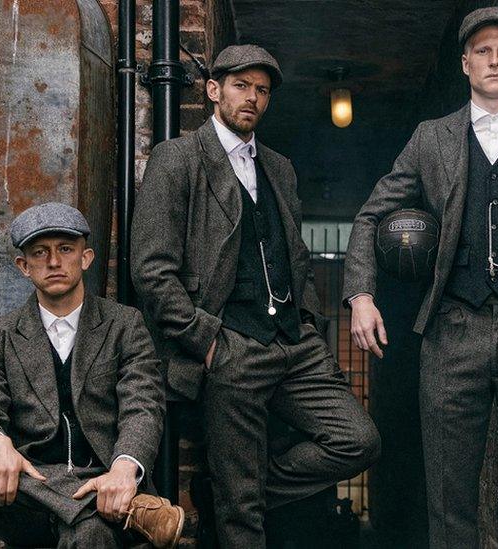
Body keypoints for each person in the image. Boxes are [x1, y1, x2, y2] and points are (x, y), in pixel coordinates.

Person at [342, 7, 498, 547]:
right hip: (452, 330)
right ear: (465, 63)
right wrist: (361, 294)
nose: (495, 60)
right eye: (484, 51)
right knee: (450, 498)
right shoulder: (432, 137)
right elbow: (371, 214)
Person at [131, 44, 381, 547]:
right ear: (213, 90)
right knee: (243, 523)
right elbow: (151, 271)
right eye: (241, 86)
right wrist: (209, 343)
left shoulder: (279, 167)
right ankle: (233, 495)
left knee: (358, 440)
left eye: (262, 90)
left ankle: (227, 489)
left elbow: (296, 256)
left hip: (293, 342)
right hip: (229, 347)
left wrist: (307, 321)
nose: (252, 98)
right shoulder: (178, 159)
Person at [0, 202, 182, 548]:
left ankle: (89, 509)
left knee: (90, 533)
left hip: (106, 481)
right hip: (26, 492)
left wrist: (124, 470)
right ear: (24, 266)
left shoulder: (125, 324)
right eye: (39, 252)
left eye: (65, 249)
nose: (53, 261)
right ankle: (124, 511)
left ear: (86, 257)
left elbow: (143, 406)